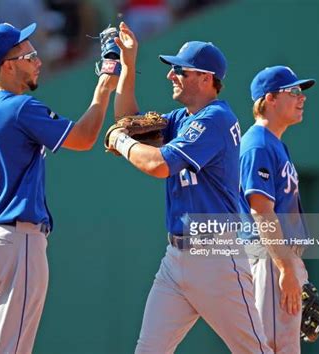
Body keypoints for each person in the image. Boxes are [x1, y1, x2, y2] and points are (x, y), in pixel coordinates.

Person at [107, 22, 272, 354]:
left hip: (215, 255)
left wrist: (122, 142)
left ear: (206, 78)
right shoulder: (186, 116)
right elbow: (127, 121)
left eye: (180, 70)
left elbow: (157, 164)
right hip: (176, 256)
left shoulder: (215, 118)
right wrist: (128, 64)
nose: (171, 75)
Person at [0, 22, 117, 353]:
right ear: (9, 64)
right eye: (29, 55)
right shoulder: (18, 107)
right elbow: (85, 137)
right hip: (15, 240)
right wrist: (104, 88)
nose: (39, 61)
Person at [238, 65, 316, 353]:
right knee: (270, 348)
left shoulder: (275, 144)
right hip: (270, 258)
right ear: (269, 98)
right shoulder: (258, 144)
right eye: (293, 91)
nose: (302, 97)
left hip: (280, 258)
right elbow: (261, 212)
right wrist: (285, 267)